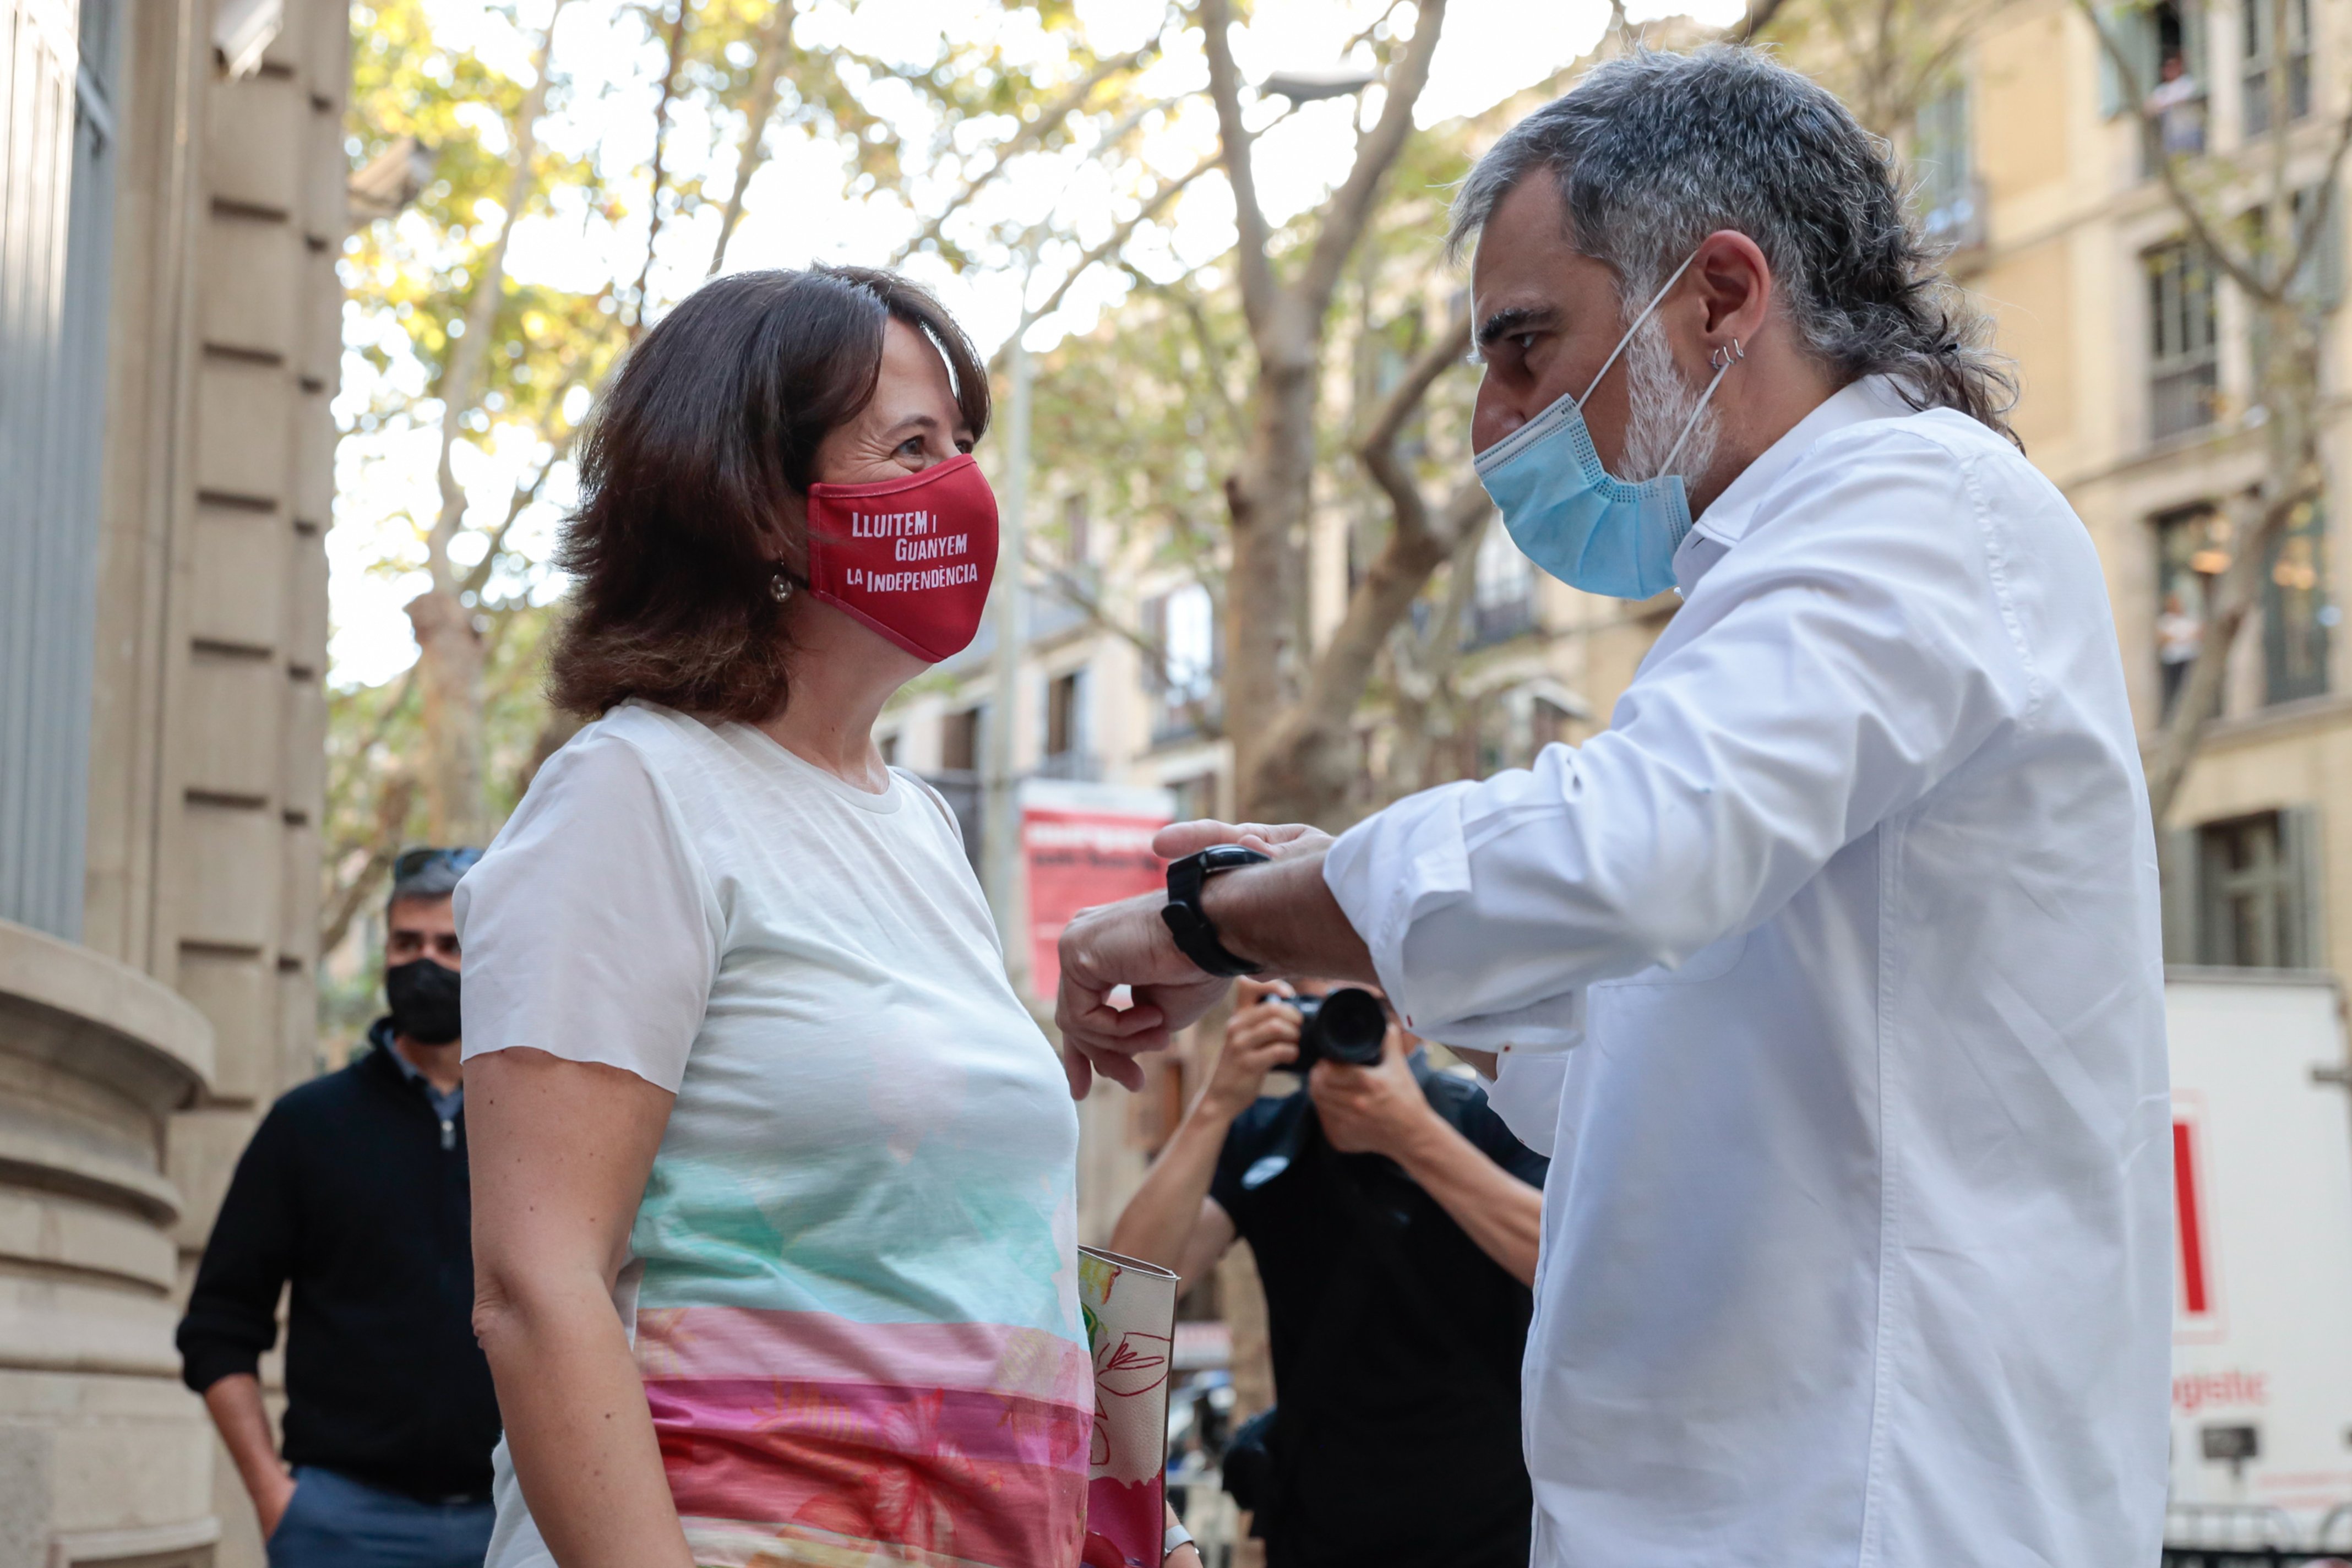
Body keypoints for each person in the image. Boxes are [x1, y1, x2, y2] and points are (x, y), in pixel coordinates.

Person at [1055, 46, 2169, 1568]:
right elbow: (1655, 1030)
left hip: (1867, 1509)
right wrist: (1330, 914)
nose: (1489, 424)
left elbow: (1620, 859)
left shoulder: (1917, 512)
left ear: (1722, 294)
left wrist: (1220, 916)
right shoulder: (1786, 578)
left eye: (1524, 348)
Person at [458, 266, 1203, 1568]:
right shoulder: (630, 793)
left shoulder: (918, 826)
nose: (965, 486)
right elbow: (538, 1286)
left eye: (963, 445)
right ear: (750, 499)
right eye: (911, 446)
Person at [1109, 979, 1545, 1568]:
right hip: (1318, 1536)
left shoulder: (1492, 1123)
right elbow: (1127, 1287)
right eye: (1321, 1010)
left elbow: (1565, 1259)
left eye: (1370, 1009)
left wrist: (1413, 1137)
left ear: (1416, 1021)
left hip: (1497, 1533)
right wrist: (1216, 1104)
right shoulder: (1268, 1136)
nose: (1346, 1031)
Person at [177, 847, 499, 1568]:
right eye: (407, 943)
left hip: (516, 1521)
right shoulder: (307, 1124)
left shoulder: (539, 1130)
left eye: (451, 946)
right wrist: (275, 1496)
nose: (426, 963)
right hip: (341, 1528)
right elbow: (217, 1328)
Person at [2159, 587, 2203, 714]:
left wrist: (2178, 638)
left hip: (2189, 658)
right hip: (2173, 661)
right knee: (2175, 689)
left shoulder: (2189, 619)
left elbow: (2199, 634)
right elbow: (2163, 639)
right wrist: (2185, 638)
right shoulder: (2165, 621)